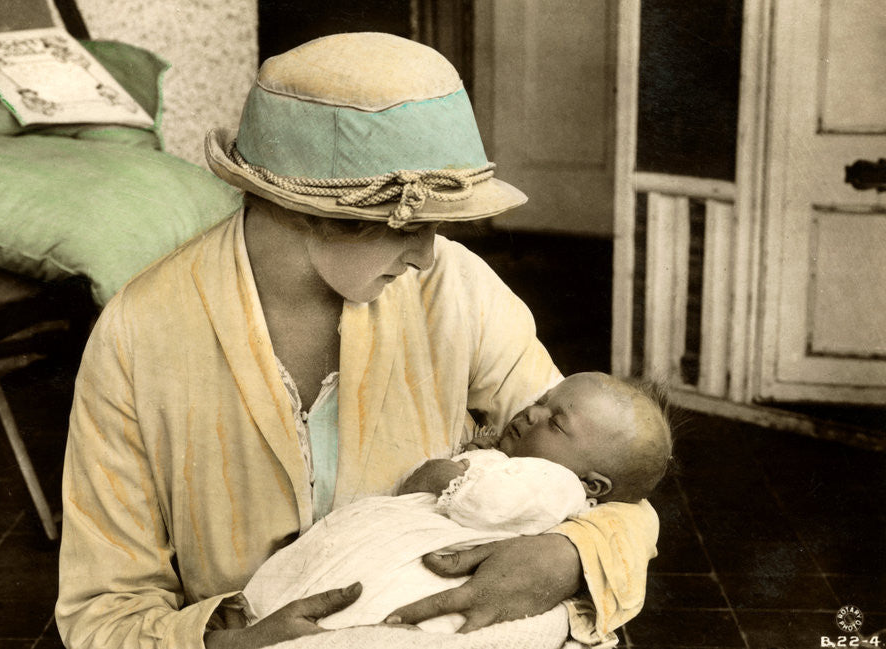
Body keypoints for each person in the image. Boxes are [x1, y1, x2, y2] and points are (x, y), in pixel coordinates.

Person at [55, 32, 660, 649]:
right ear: (308, 209)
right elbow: (104, 609)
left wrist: (566, 557)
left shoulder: (457, 290)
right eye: (411, 227)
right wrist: (222, 644)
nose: (428, 256)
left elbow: (607, 474)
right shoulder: (141, 334)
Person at [240, 372, 672, 640]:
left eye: (555, 422)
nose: (531, 413)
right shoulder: (533, 465)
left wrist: (446, 474)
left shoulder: (558, 483)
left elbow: (490, 500)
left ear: (593, 484)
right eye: (541, 401)